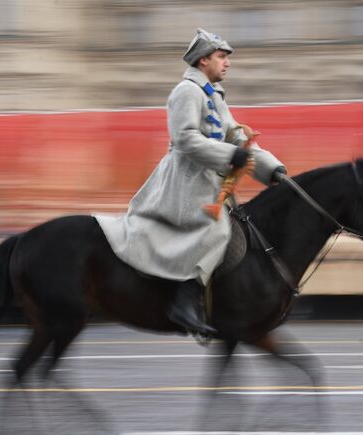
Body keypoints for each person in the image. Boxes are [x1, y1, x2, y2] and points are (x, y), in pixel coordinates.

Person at [97, 28, 286, 337]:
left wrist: (273, 170)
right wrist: (231, 155)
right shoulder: (186, 91)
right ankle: (182, 301)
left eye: (226, 58)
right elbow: (185, 139)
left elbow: (238, 138)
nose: (227, 63)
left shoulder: (213, 95)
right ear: (203, 61)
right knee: (215, 231)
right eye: (221, 57)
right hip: (184, 182)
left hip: (207, 183)